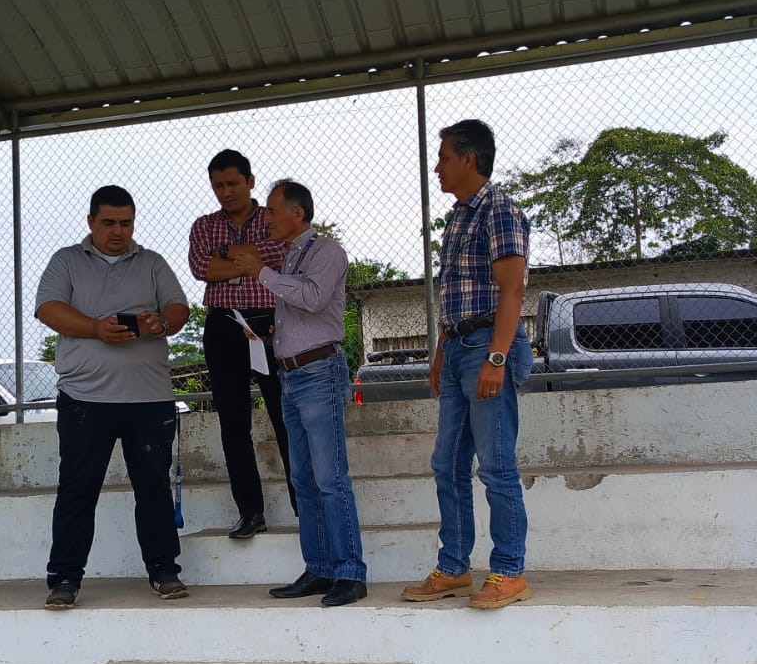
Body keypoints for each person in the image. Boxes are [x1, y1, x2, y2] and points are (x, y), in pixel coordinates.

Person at [35, 184, 192, 609]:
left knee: (153, 489)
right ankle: (64, 578)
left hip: (149, 398)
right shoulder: (66, 260)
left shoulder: (153, 262)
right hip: (84, 398)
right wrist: (96, 328)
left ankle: (164, 570)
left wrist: (160, 323)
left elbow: (179, 308)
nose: (118, 231)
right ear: (90, 221)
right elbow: (47, 309)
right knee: (77, 491)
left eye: (126, 223)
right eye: (108, 223)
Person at [402, 119, 536, 610]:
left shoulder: (499, 210)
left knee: (496, 465)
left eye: (443, 158)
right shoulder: (459, 216)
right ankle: (454, 566)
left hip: (487, 346)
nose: (436, 167)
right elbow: (454, 294)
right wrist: (441, 351)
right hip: (460, 346)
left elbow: (513, 290)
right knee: (448, 464)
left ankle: (509, 572)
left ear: (469, 159)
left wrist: (496, 358)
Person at [230, 179, 368, 607]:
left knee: (329, 478)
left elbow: (313, 298)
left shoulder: (326, 251)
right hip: (290, 375)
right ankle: (320, 568)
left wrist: (261, 272)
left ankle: (350, 573)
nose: (266, 219)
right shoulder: (290, 257)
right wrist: (272, 332)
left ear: (298, 213)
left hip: (318, 372)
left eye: (272, 212)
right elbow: (303, 311)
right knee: (303, 479)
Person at [187, 149, 295, 539]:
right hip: (223, 323)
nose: (226, 192)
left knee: (285, 416)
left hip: (269, 322)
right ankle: (250, 511)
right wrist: (250, 261)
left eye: (233, 183)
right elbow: (201, 267)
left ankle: (305, 505)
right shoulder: (203, 225)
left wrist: (226, 260)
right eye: (218, 185)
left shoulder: (272, 219)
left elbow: (279, 254)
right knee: (233, 423)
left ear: (250, 182)